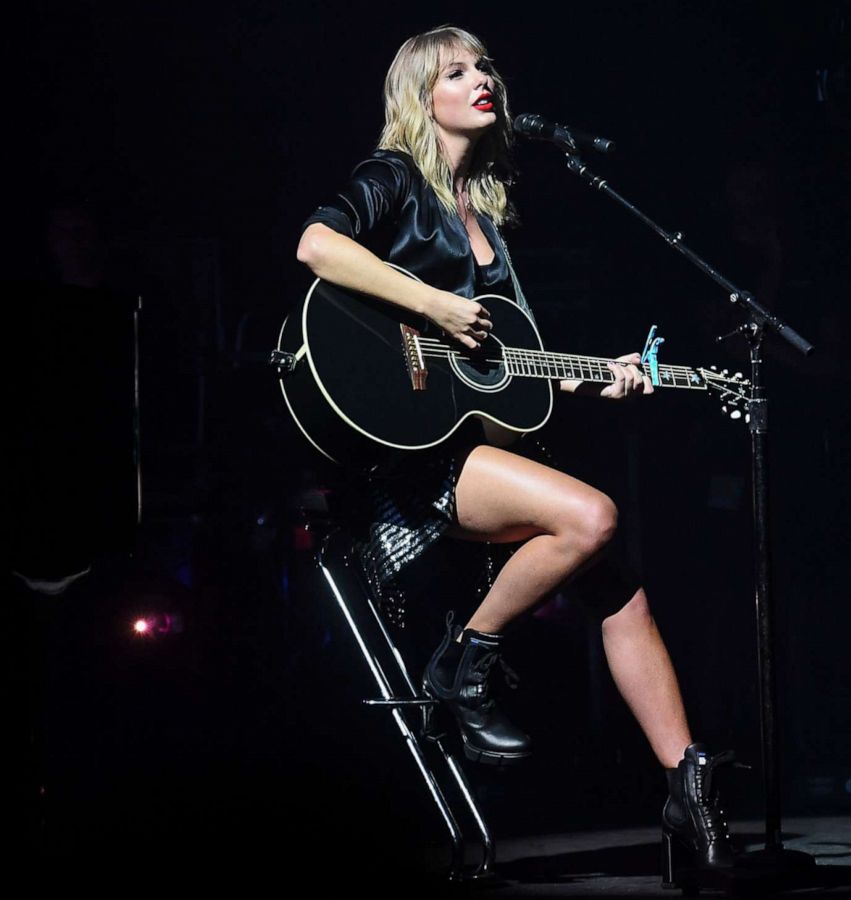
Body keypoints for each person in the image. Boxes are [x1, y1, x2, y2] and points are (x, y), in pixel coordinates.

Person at [294, 25, 736, 871]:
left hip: (469, 447)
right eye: (454, 72)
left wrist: (592, 375)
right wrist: (432, 304)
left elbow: (507, 375)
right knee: (593, 515)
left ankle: (688, 788)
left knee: (623, 590)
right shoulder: (393, 180)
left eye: (485, 65)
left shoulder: (488, 211)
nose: (479, 78)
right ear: (422, 98)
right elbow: (316, 246)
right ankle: (463, 662)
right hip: (405, 463)